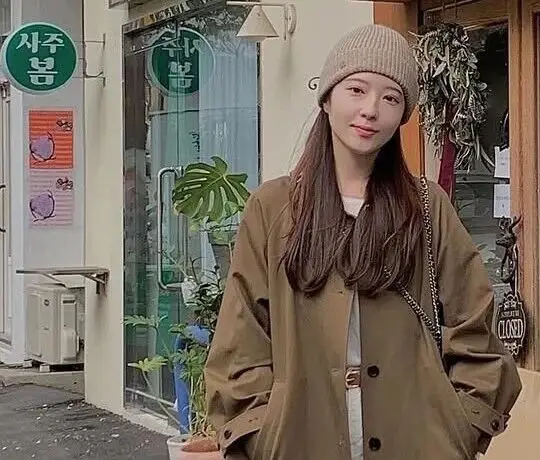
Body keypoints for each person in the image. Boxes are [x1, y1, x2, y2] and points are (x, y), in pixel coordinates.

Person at [204, 24, 522, 459]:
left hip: (417, 442)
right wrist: (262, 436)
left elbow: (475, 328)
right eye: (356, 90)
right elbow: (241, 341)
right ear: (327, 98)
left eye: (391, 98)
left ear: (403, 114)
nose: (371, 110)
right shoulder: (273, 208)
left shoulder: (427, 207)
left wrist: (460, 426)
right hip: (301, 439)